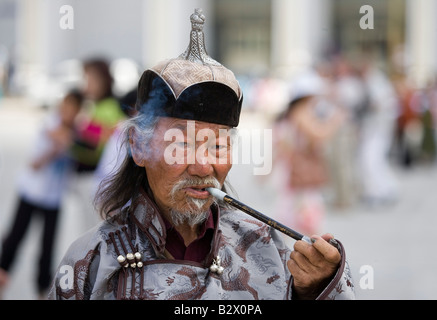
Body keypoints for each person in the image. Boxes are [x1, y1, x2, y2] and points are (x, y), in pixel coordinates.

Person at [48, 9, 354, 300]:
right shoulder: (92, 260)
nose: (203, 165)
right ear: (139, 146)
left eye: (217, 146)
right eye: (181, 144)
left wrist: (315, 289)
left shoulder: (264, 248)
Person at [0, 89, 84, 299]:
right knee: (14, 240)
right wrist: (56, 149)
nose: (69, 112)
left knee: (47, 249)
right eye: (67, 106)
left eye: (74, 109)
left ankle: (42, 292)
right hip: (31, 192)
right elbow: (35, 164)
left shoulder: (76, 132)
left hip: (53, 198)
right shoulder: (50, 123)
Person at [272, 71, 346, 238]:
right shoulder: (301, 112)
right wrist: (335, 120)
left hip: (294, 170)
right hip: (299, 172)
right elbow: (319, 134)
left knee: (293, 210)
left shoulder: (295, 113)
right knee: (301, 212)